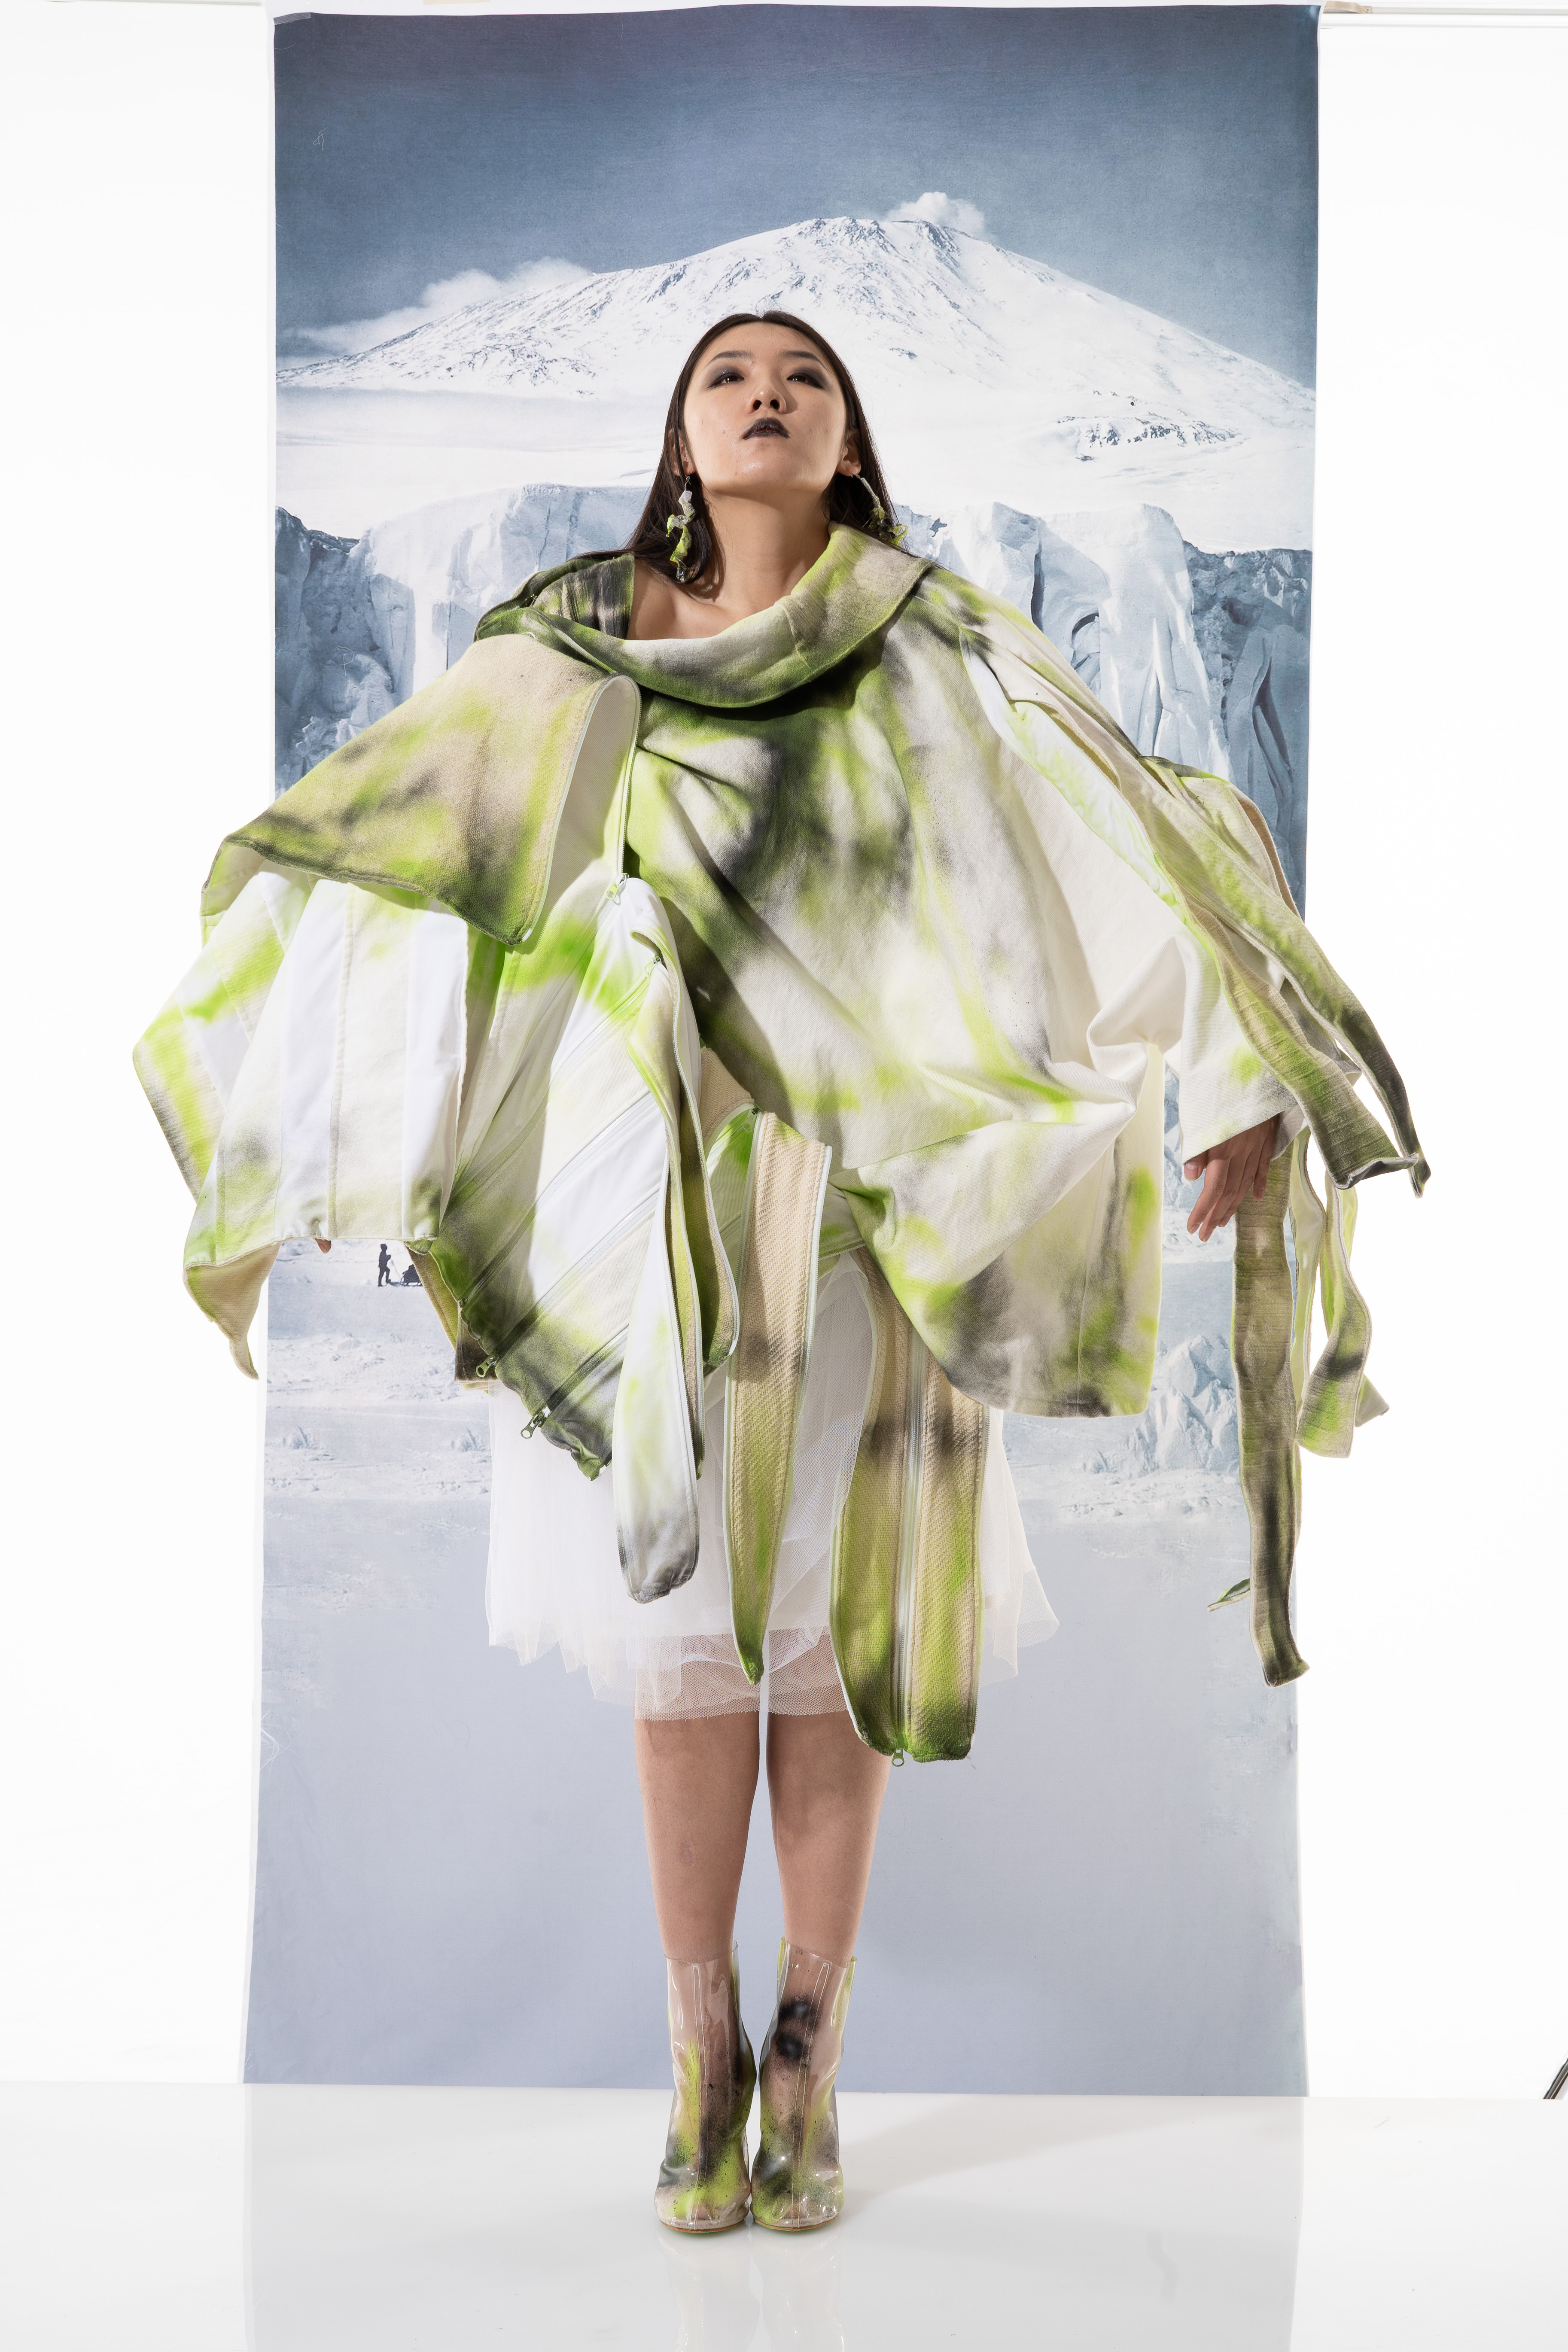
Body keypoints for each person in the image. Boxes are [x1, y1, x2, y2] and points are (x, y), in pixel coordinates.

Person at [136, 310, 1424, 2237]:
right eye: (729, 373)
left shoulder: (936, 643)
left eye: (804, 377)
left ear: (848, 445)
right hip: (649, 1209)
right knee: (678, 1639)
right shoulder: (570, 649)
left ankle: (812, 2045)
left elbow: (1125, 835)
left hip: (889, 1199)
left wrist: (1239, 1081)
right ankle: (699, 2039)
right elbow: (406, 870)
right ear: (681, 434)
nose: (765, 391)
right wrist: (341, 1123)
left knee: (834, 1632)